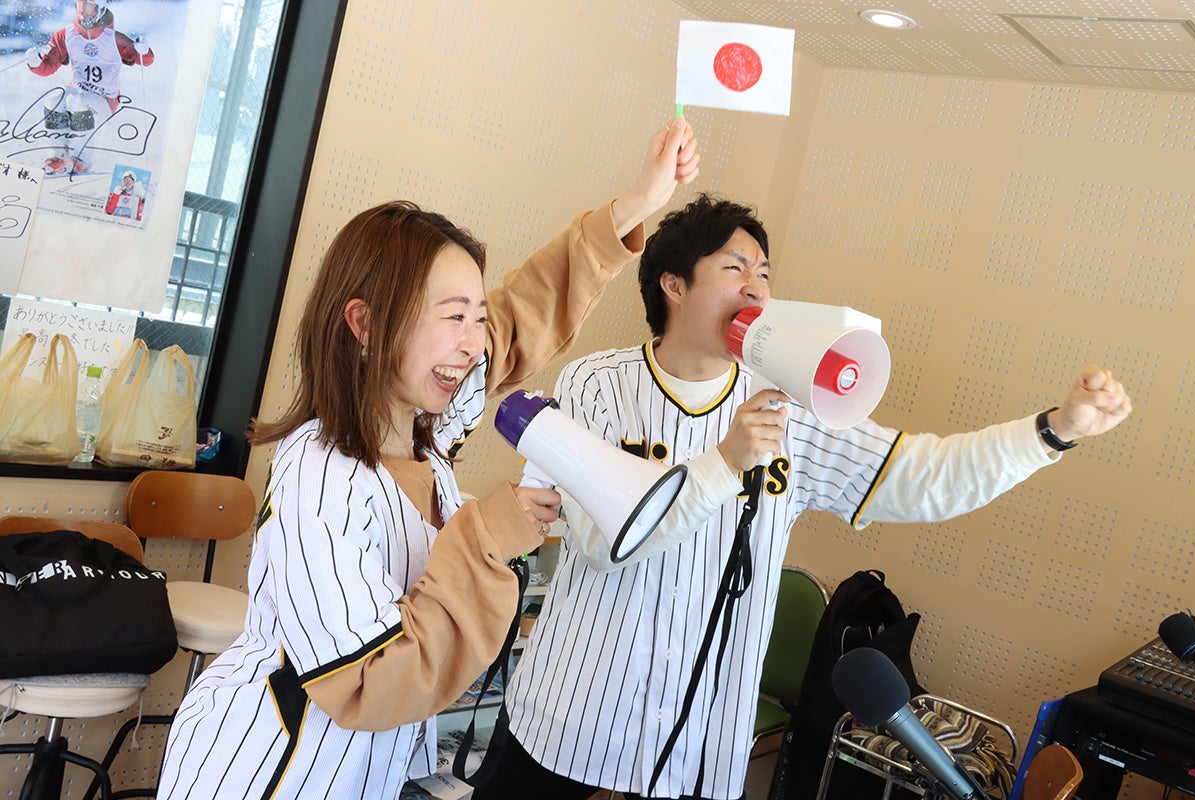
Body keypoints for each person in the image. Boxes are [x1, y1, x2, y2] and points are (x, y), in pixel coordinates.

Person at [472, 194, 1132, 800]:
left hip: (700, 737)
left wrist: (1052, 432)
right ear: (673, 284)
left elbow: (923, 476)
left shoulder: (792, 406)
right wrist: (725, 464)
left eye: (764, 272)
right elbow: (602, 543)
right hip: (572, 711)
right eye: (734, 267)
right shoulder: (596, 385)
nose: (756, 286)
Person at [154, 117, 700, 800]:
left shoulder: (426, 428)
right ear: (365, 324)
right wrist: (487, 536)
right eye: (452, 316)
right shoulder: (319, 478)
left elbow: (524, 311)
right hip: (272, 773)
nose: (473, 344)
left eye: (476, 317)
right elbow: (371, 679)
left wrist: (638, 203)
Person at [26, 1, 154, 175]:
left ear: (100, 10)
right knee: (54, 99)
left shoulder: (114, 38)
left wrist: (144, 50)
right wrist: (35, 63)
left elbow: (145, 60)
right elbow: (48, 67)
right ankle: (59, 155)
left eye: (89, 7)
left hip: (104, 99)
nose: (84, 12)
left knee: (77, 102)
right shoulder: (66, 35)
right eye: (81, 6)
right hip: (78, 90)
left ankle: (81, 159)